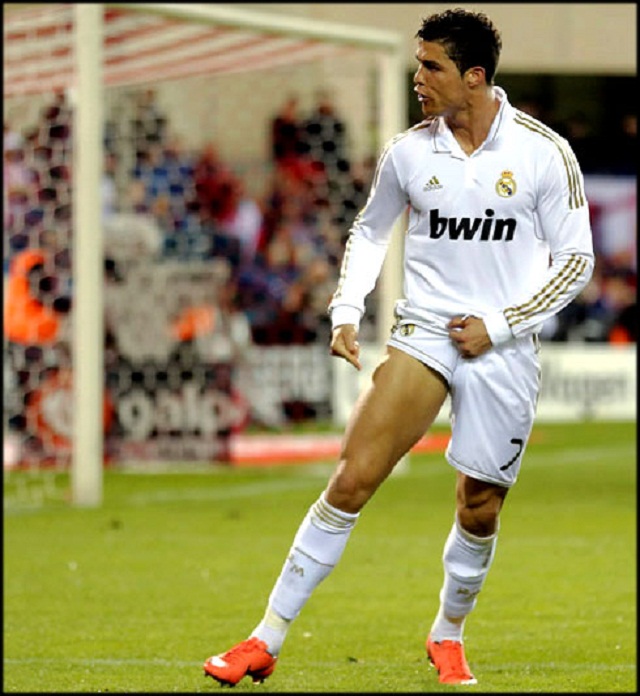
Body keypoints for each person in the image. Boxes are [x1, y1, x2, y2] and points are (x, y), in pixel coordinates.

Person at [203, 8, 594, 687]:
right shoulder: (409, 151)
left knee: (479, 506)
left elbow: (576, 261)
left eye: (431, 66)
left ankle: (447, 633)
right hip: (426, 333)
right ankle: (264, 638)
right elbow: (371, 231)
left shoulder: (543, 153)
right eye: (418, 64)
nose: (418, 78)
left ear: (473, 77)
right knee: (353, 478)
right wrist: (347, 310)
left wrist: (500, 325)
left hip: (503, 347)